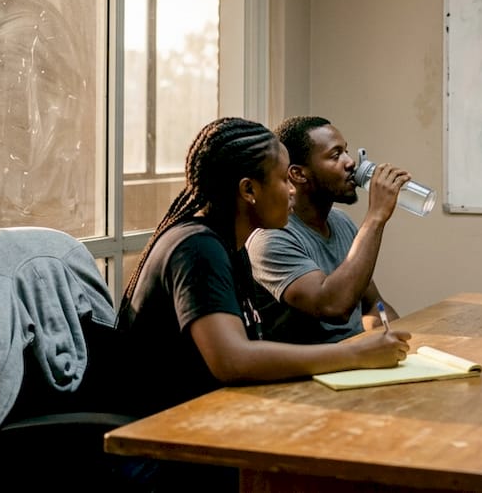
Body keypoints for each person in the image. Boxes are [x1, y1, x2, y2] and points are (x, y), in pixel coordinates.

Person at [117, 117, 411, 420]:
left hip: (216, 416)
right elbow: (232, 360)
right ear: (248, 190)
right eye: (284, 180)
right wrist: (355, 355)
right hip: (162, 437)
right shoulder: (197, 248)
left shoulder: (232, 248)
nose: (293, 192)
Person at [247, 116, 407, 344]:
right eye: (335, 155)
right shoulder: (271, 239)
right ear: (298, 174)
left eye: (346, 151)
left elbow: (372, 303)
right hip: (313, 372)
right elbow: (333, 306)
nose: (350, 162)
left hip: (355, 359)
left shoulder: (341, 222)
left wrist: (399, 340)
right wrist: (376, 217)